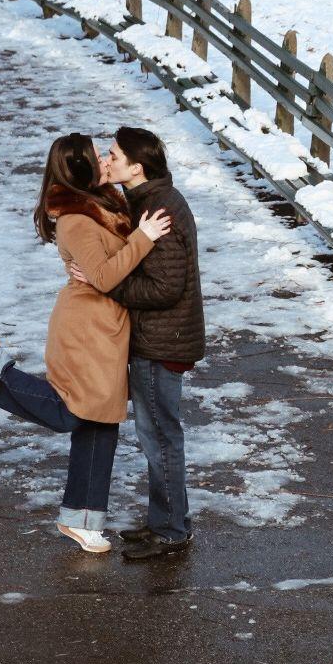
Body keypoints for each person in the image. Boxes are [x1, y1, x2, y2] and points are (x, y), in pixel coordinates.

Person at [0, 133, 171, 554]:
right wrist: (143, 237)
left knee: (100, 421)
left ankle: (81, 520)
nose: (105, 160)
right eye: (97, 156)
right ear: (81, 168)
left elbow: (109, 270)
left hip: (107, 326)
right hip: (87, 328)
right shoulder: (76, 220)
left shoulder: (104, 206)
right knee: (72, 412)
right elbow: (104, 277)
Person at [71, 126, 203, 561]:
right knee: (157, 435)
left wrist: (106, 285)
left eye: (113, 155)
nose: (106, 161)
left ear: (136, 167)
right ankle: (166, 521)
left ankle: (171, 531)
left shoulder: (158, 209)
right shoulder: (148, 200)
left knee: (160, 437)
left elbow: (165, 287)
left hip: (160, 341)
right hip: (159, 337)